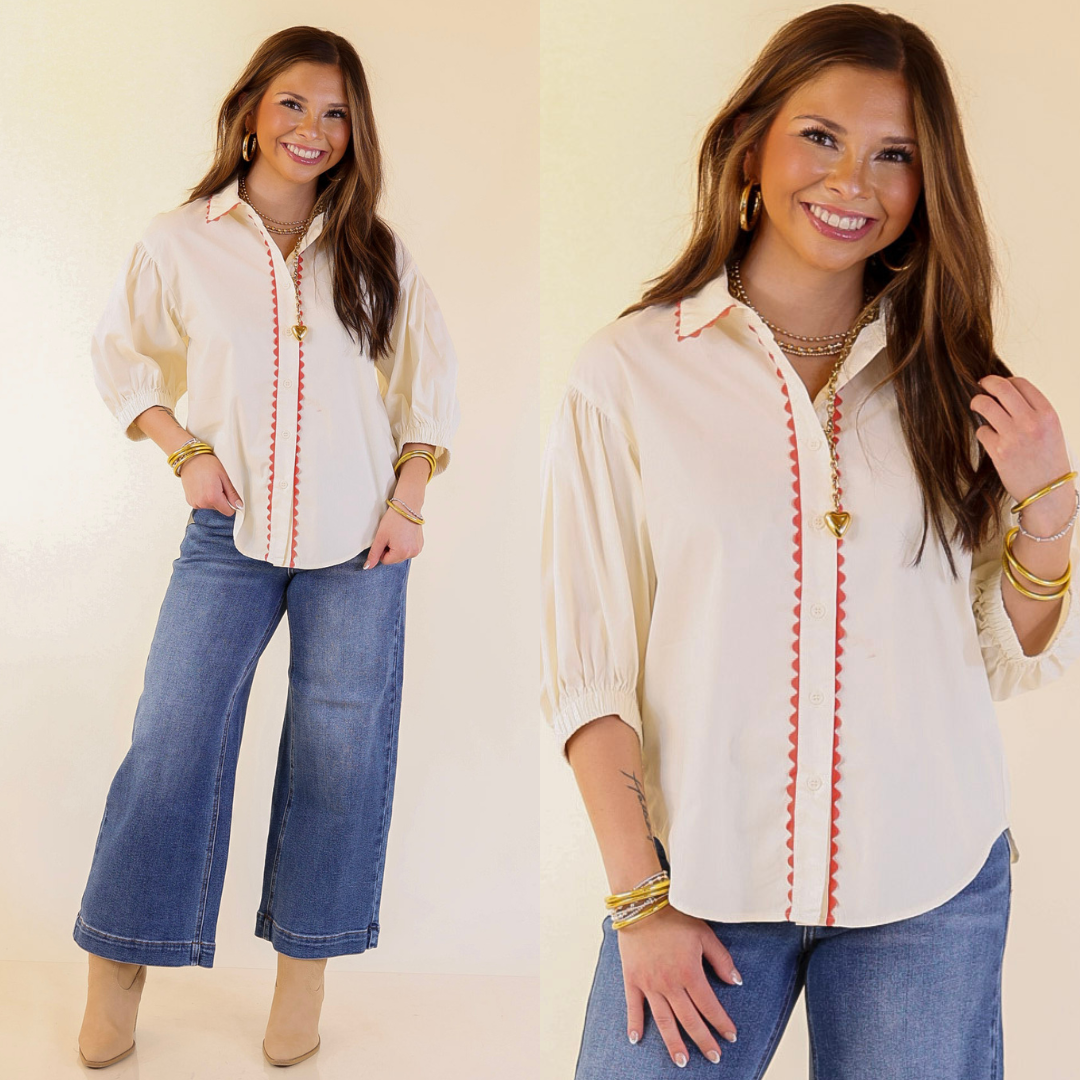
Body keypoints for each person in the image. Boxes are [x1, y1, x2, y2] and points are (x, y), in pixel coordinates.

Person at [539, 5, 1079, 1077]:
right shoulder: (629, 374)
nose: (853, 183)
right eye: (821, 138)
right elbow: (587, 668)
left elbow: (999, 653)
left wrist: (1049, 515)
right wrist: (641, 903)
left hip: (928, 885)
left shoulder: (956, 382)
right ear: (753, 145)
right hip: (699, 882)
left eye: (894, 156)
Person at [74, 25, 460, 1069]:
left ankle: (304, 983)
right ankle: (118, 971)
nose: (314, 130)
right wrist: (183, 453)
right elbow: (122, 362)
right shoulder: (181, 240)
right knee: (171, 742)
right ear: (251, 110)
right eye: (294, 105)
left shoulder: (376, 250)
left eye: (336, 113)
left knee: (341, 758)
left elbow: (430, 383)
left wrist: (410, 500)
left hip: (360, 546)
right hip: (227, 532)